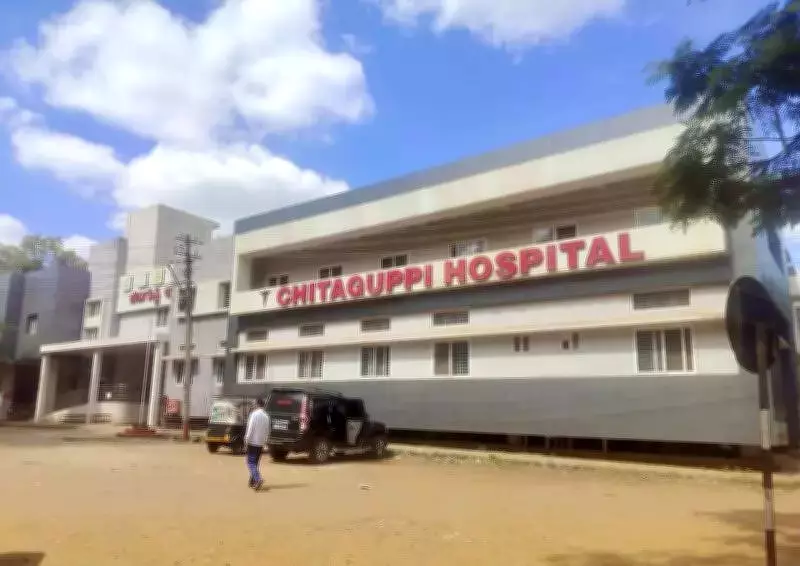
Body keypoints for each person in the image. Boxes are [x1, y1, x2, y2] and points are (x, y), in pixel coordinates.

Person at [244, 398, 270, 491]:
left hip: (252, 442)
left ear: (257, 404)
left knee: (250, 462)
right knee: (255, 463)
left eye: (254, 403)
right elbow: (267, 431)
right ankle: (252, 481)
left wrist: (246, 439)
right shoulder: (266, 416)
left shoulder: (254, 414)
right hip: (260, 443)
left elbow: (250, 428)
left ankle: (258, 479)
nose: (253, 405)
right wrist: (265, 442)